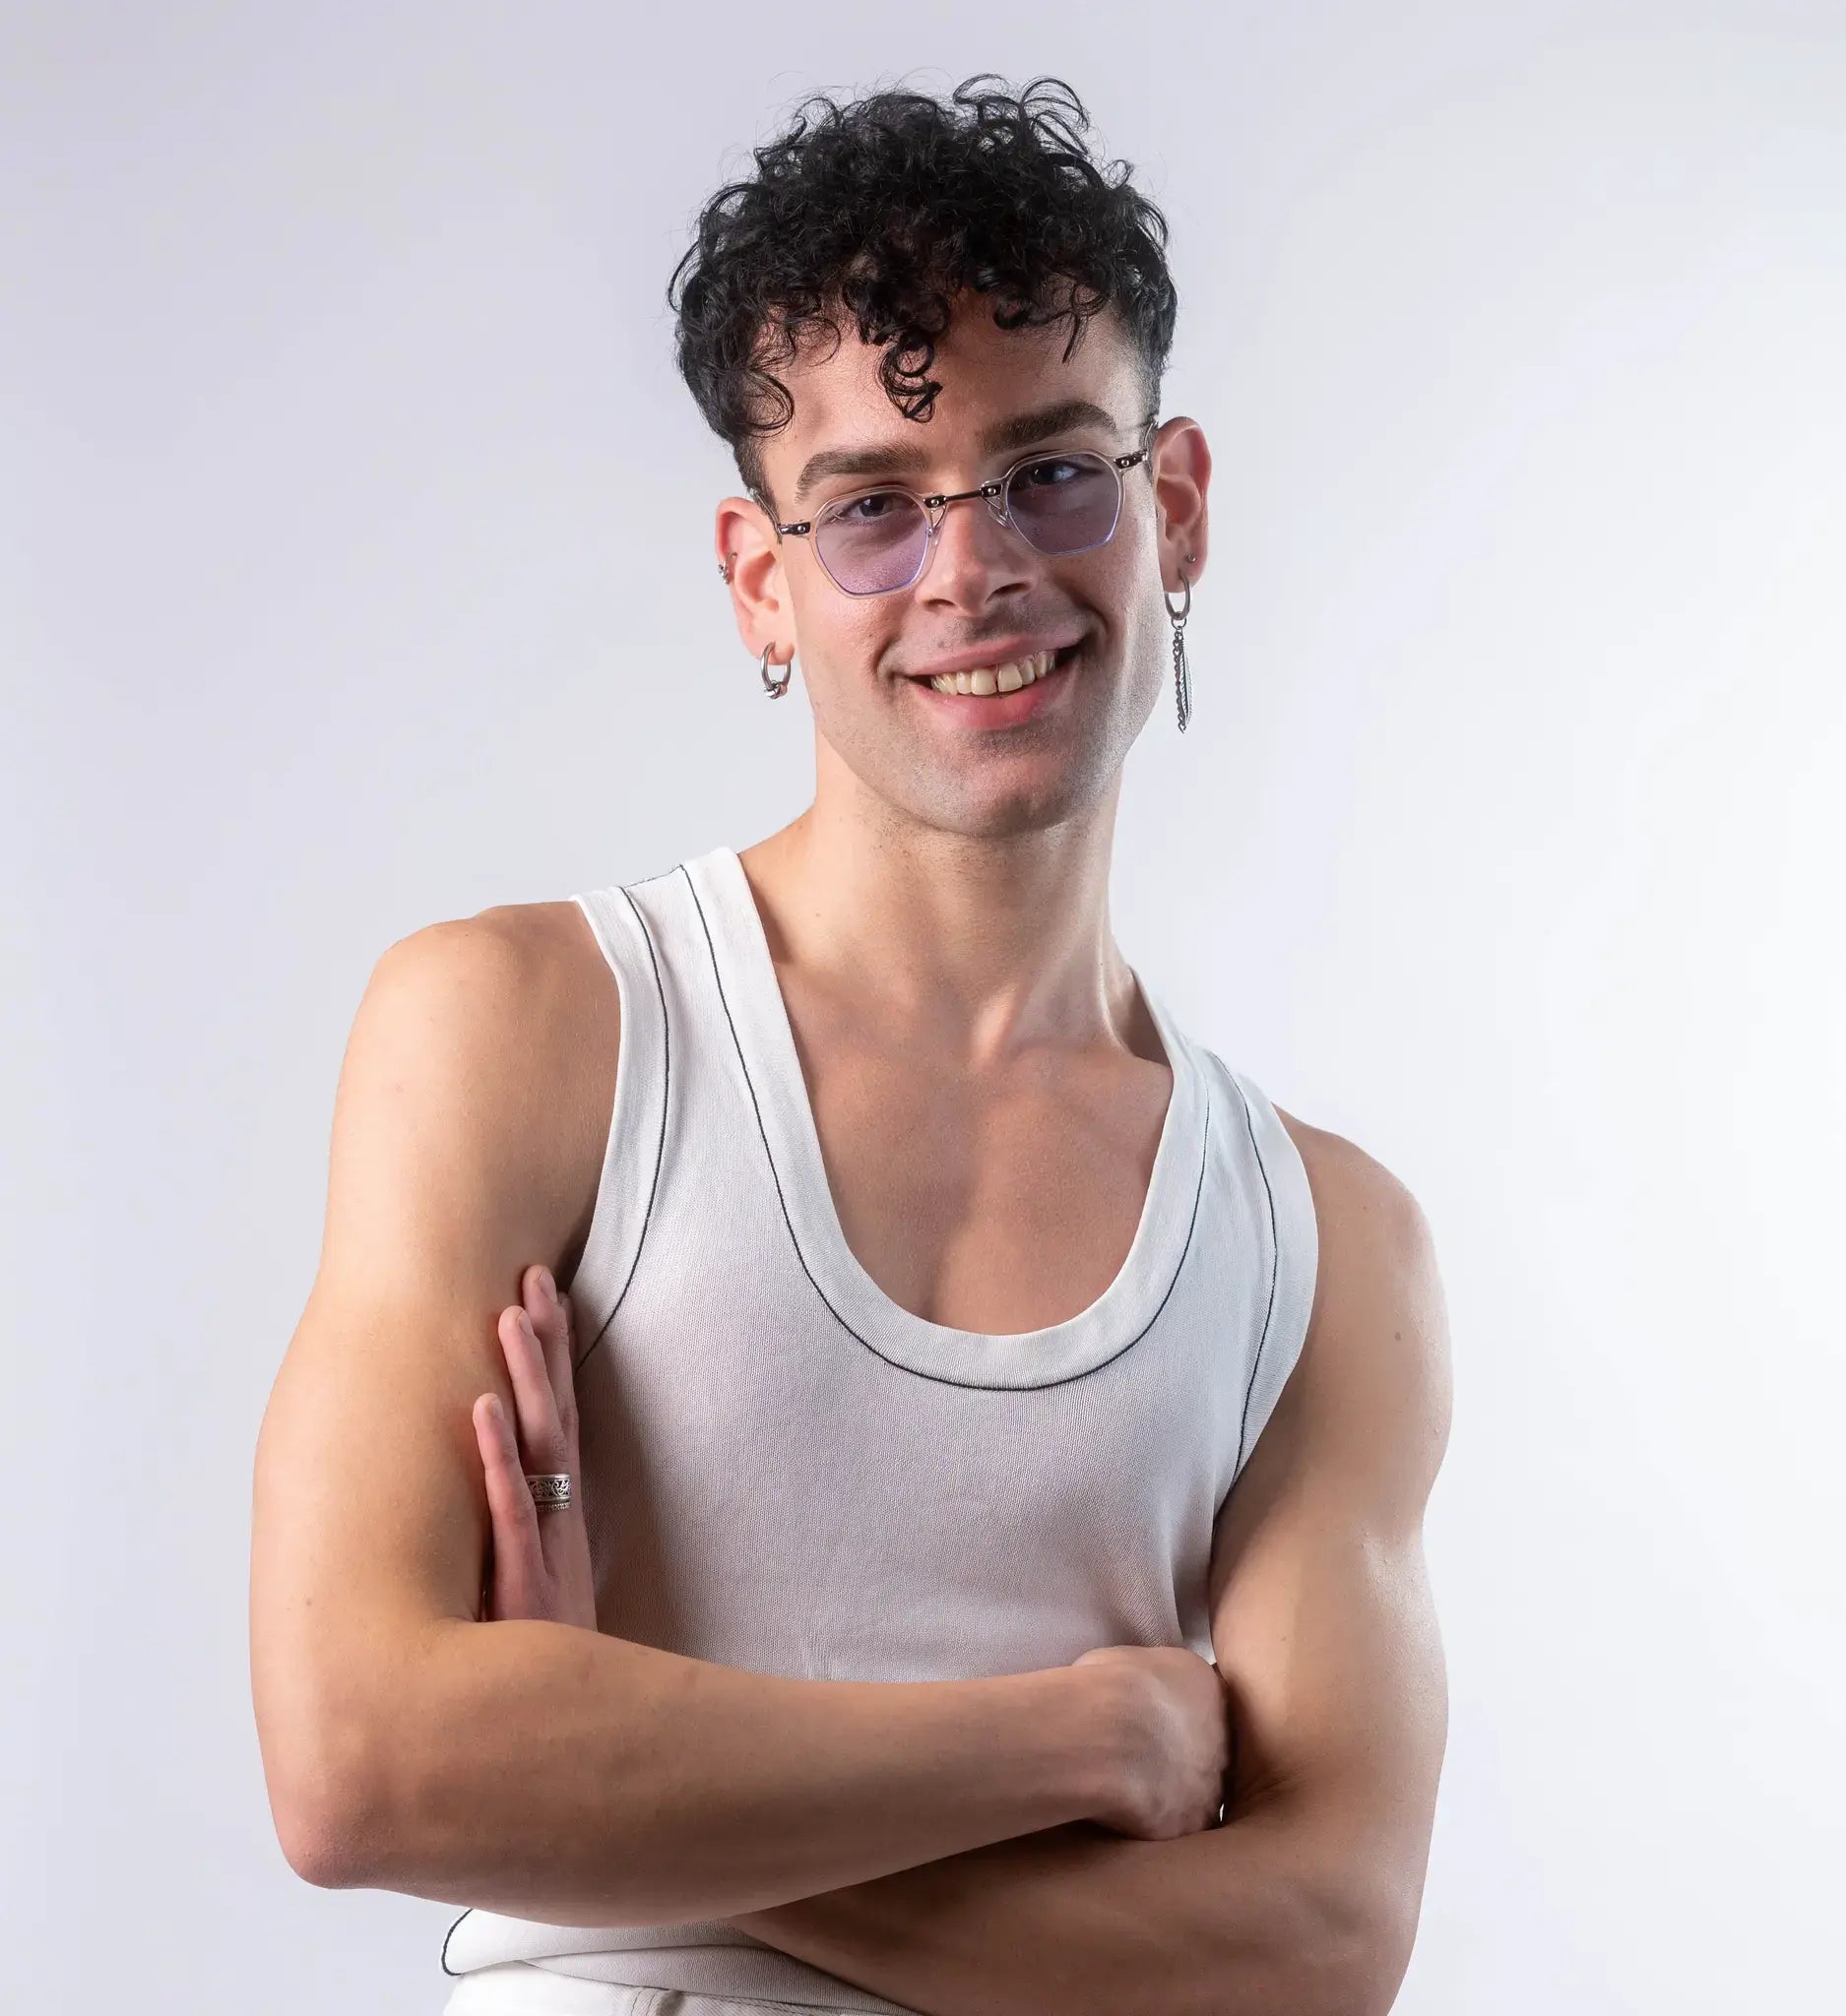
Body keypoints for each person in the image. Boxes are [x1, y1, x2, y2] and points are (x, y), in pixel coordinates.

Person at [250, 72, 1453, 2016]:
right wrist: (1075, 1740)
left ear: (1178, 507)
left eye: (1054, 470)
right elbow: (360, 1756)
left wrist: (606, 1782)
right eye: (874, 507)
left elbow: (1317, 1949)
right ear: (761, 578)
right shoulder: (530, 1031)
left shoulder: (1325, 1247)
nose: (974, 570)